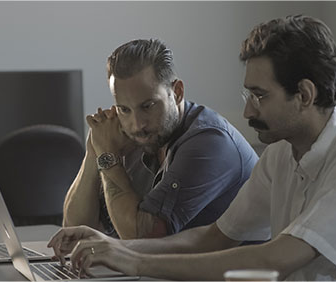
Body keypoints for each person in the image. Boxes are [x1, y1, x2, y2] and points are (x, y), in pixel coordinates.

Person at [49, 15, 336, 280]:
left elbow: (275, 259)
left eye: (260, 96)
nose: (248, 109)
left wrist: (132, 260)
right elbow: (214, 237)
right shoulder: (282, 155)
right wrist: (114, 246)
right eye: (247, 94)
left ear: (303, 94)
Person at [62, 39, 259, 239]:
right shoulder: (137, 136)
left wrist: (107, 155)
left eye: (148, 106)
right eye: (124, 109)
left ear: (177, 92)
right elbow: (74, 229)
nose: (137, 124)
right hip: (166, 269)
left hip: (236, 270)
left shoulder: (209, 142)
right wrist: (94, 148)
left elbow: (141, 238)